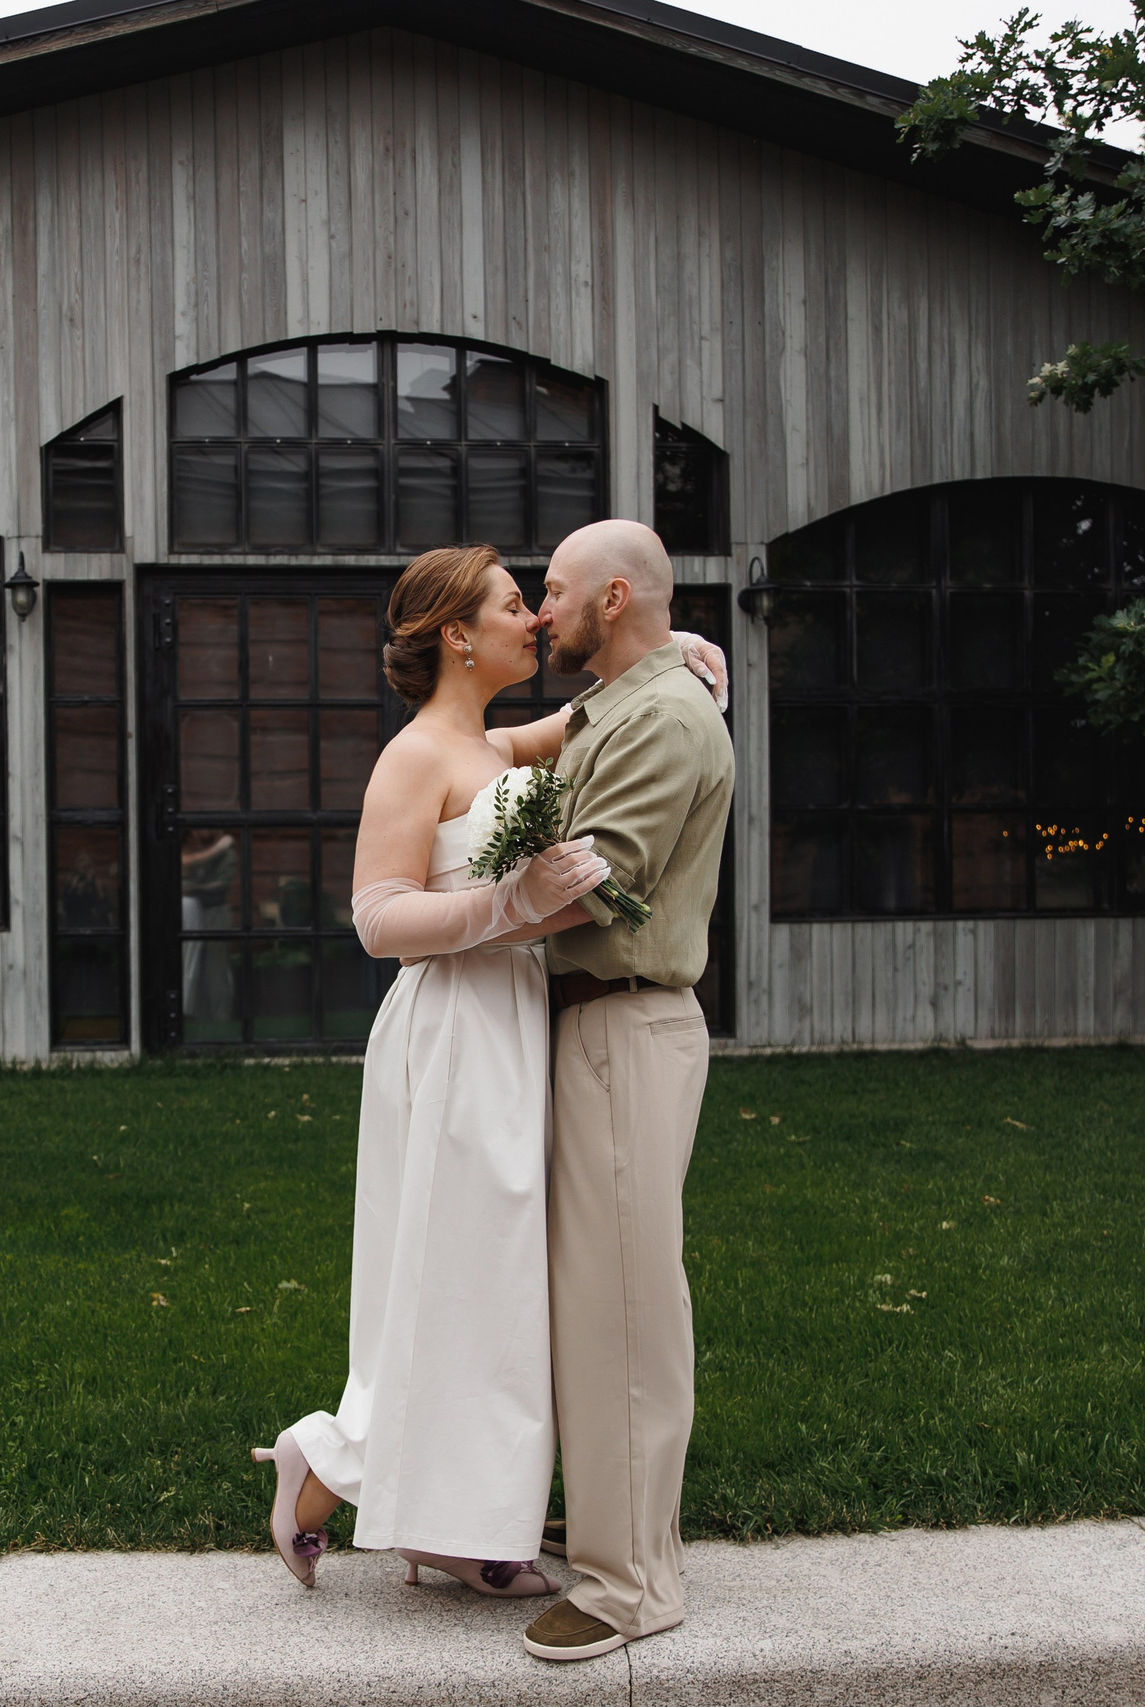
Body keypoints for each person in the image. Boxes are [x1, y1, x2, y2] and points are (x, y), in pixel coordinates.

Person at [250, 543, 727, 1600]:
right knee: (457, 1276)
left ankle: (453, 1524)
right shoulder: (419, 753)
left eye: (541, 600)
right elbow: (377, 919)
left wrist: (673, 643)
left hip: (516, 1024)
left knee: (499, 1290)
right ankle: (333, 1469)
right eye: (518, 606)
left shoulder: (491, 740)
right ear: (459, 635)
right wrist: (506, 908)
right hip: (456, 1032)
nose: (538, 622)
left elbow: (578, 721)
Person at [517, 520, 735, 1664]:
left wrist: (440, 919)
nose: (536, 610)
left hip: (624, 1024)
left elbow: (593, 883)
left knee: (627, 1311)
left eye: (549, 593)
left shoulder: (659, 716)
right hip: (590, 1030)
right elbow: (517, 771)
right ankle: (612, 1517)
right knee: (588, 1301)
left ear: (610, 598)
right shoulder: (625, 699)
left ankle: (630, 1585)